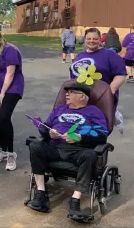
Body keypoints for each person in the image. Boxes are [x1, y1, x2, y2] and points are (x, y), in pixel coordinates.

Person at [26, 82, 108, 219]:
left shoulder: (93, 111)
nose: (67, 94)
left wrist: (81, 138)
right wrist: (48, 133)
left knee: (90, 155)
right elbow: (45, 127)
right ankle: (41, 194)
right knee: (35, 146)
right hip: (55, 148)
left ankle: (75, 201)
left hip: (79, 150)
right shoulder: (60, 109)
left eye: (71, 92)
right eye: (67, 92)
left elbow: (102, 135)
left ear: (82, 97)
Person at [0, 29, 25, 171]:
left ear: (0, 36)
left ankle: (11, 154)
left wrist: (2, 93)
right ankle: (3, 150)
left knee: (4, 117)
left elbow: (10, 72)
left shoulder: (9, 50)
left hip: (11, 89)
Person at [70, 27, 127, 109]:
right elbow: (73, 73)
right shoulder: (80, 55)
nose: (91, 41)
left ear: (100, 40)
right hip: (78, 98)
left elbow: (120, 74)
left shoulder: (110, 55)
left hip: (100, 97)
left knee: (99, 120)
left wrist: (110, 91)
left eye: (95, 39)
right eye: (88, 38)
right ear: (85, 40)